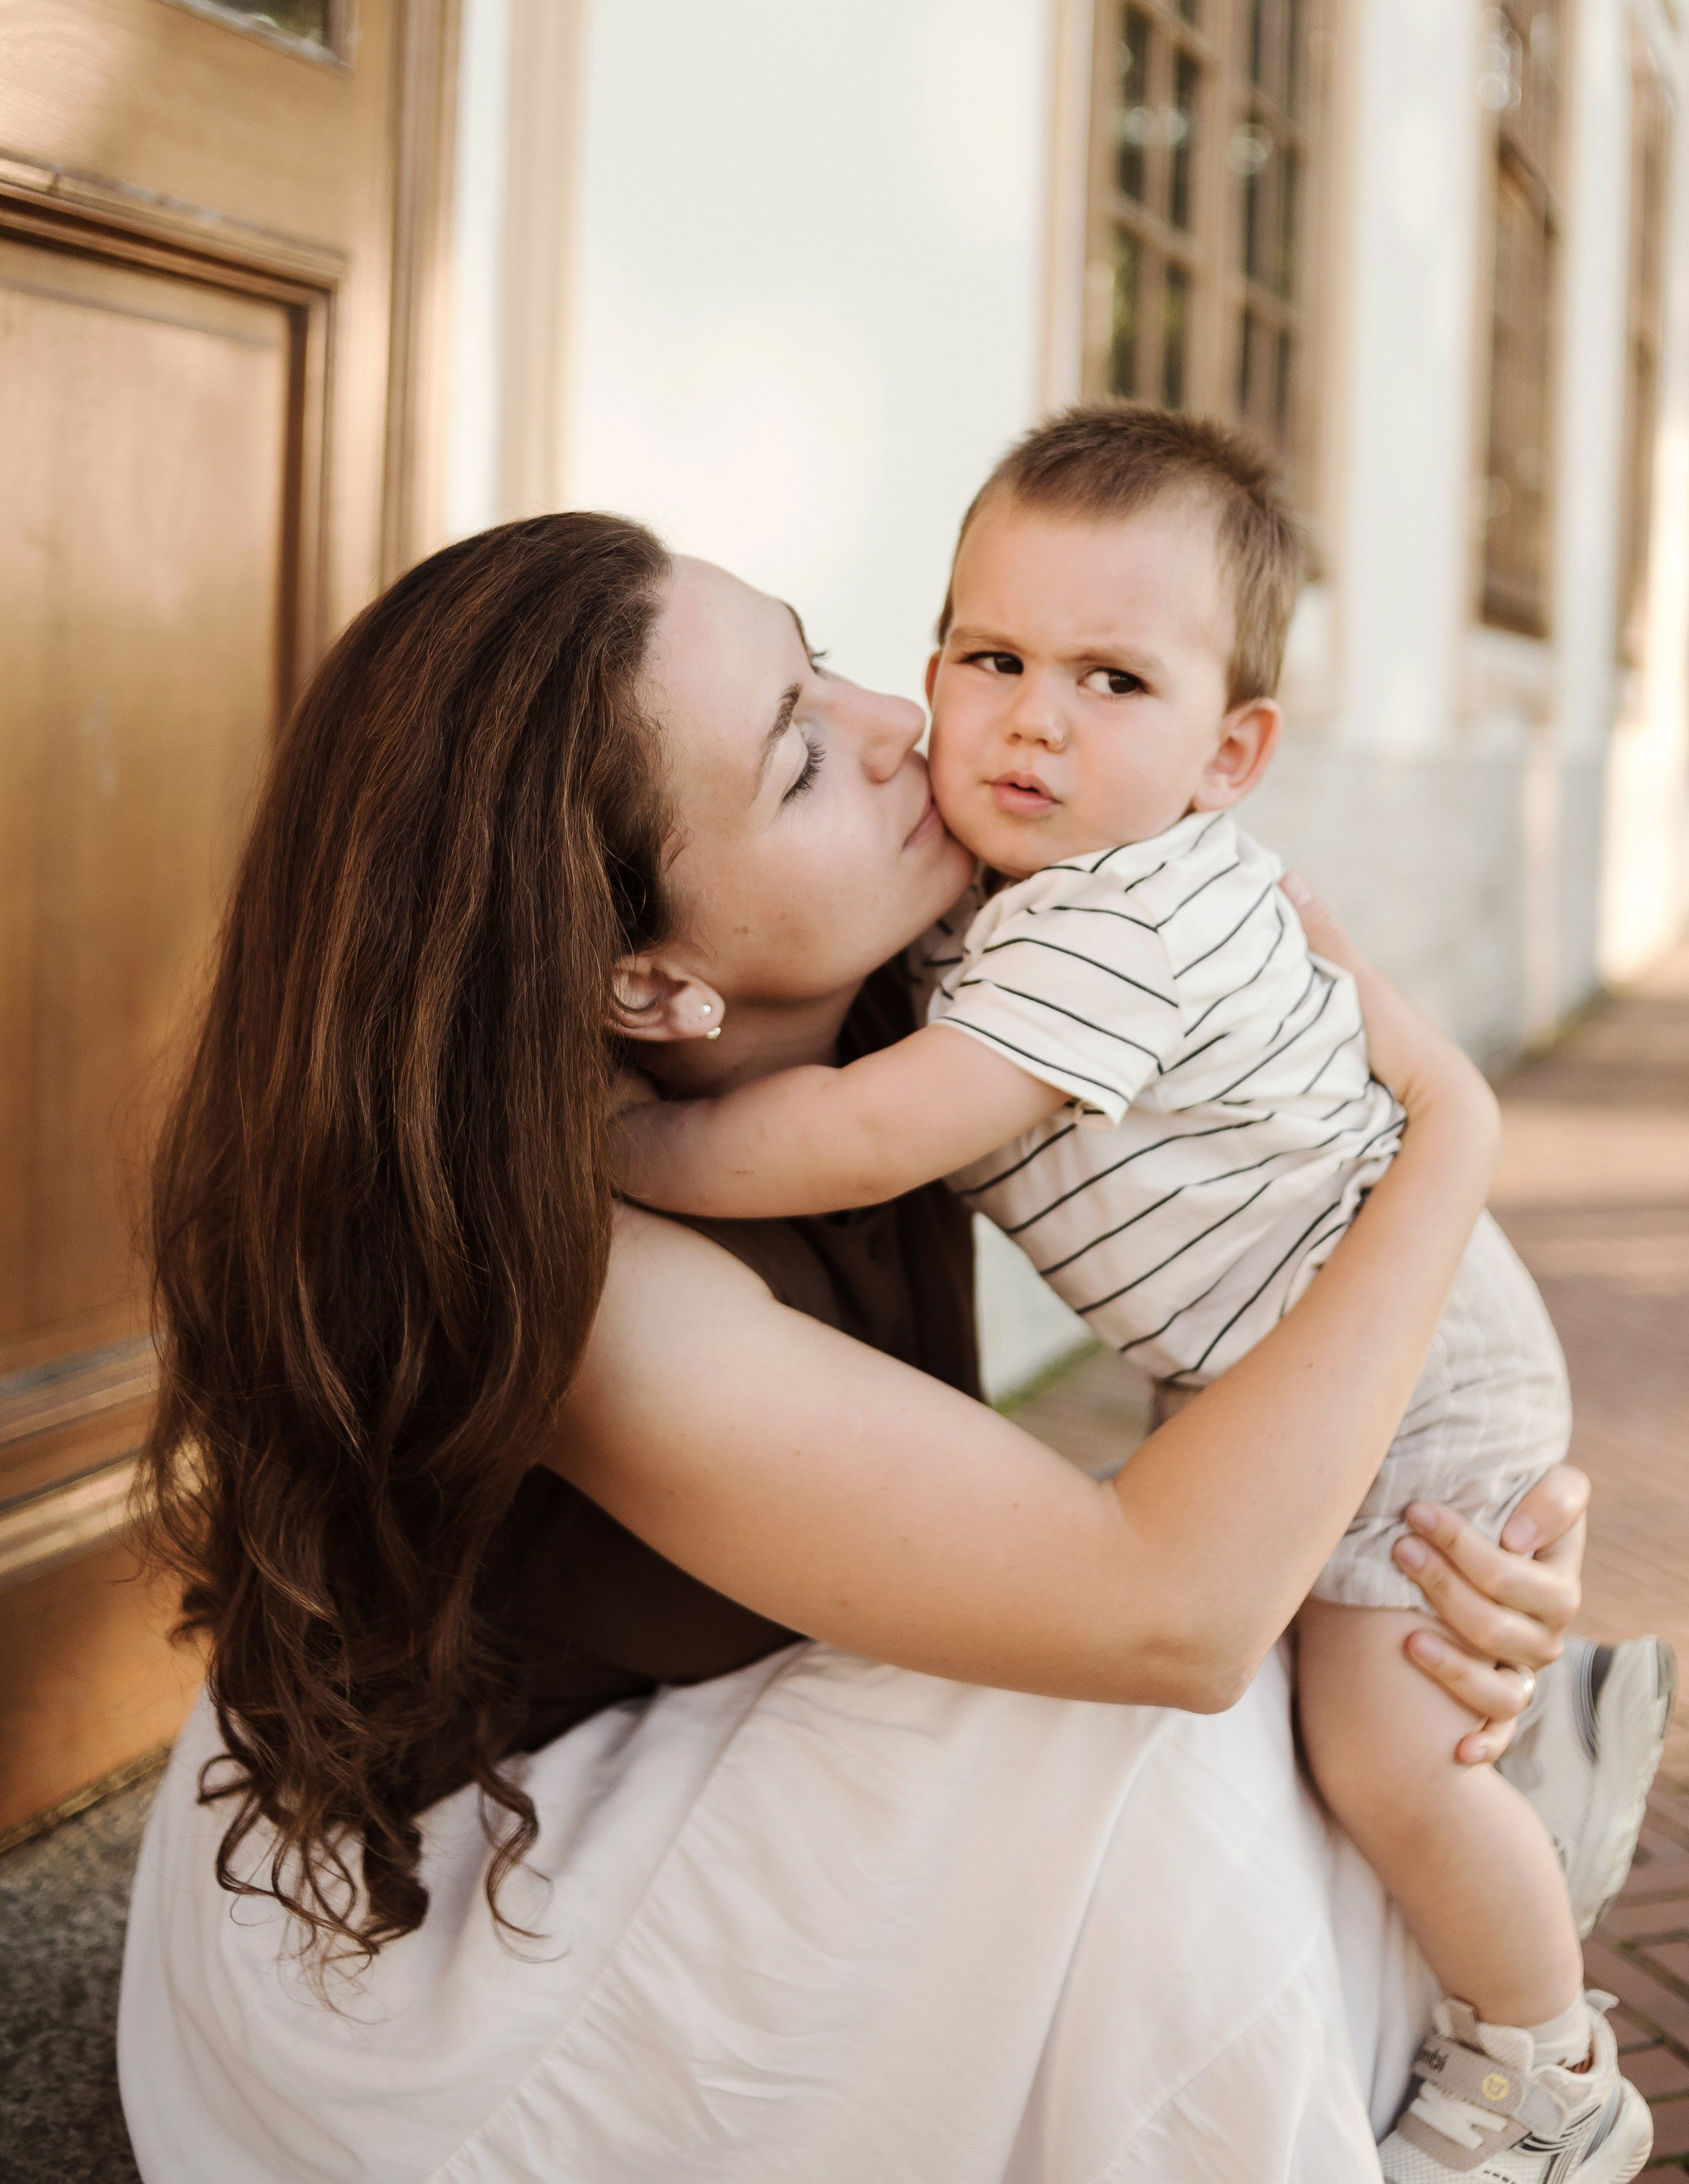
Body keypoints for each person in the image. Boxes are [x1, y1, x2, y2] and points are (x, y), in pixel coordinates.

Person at [121, 510, 1606, 2183]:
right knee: (1146, 1727)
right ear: (645, 981)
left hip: (706, 1706)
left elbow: (1269, 1257)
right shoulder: (603, 1286)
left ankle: (1462, 1952)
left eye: (821, 659)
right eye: (798, 760)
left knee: (1293, 1661)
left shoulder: (936, 997)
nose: (904, 723)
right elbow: (1171, 1614)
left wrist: (1431, 1546)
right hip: (440, 1954)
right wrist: (1454, 1137)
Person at [613, 410, 1653, 2179]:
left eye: (1112, 682)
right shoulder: (1007, 905)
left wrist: (629, 1153)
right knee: (1351, 1707)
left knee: (1392, 1758)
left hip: (1396, 1350)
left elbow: (874, 1130)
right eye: (993, 659)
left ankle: (1549, 2068)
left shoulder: (1111, 919)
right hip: (1291, 1333)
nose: (1032, 719)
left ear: (1230, 754)